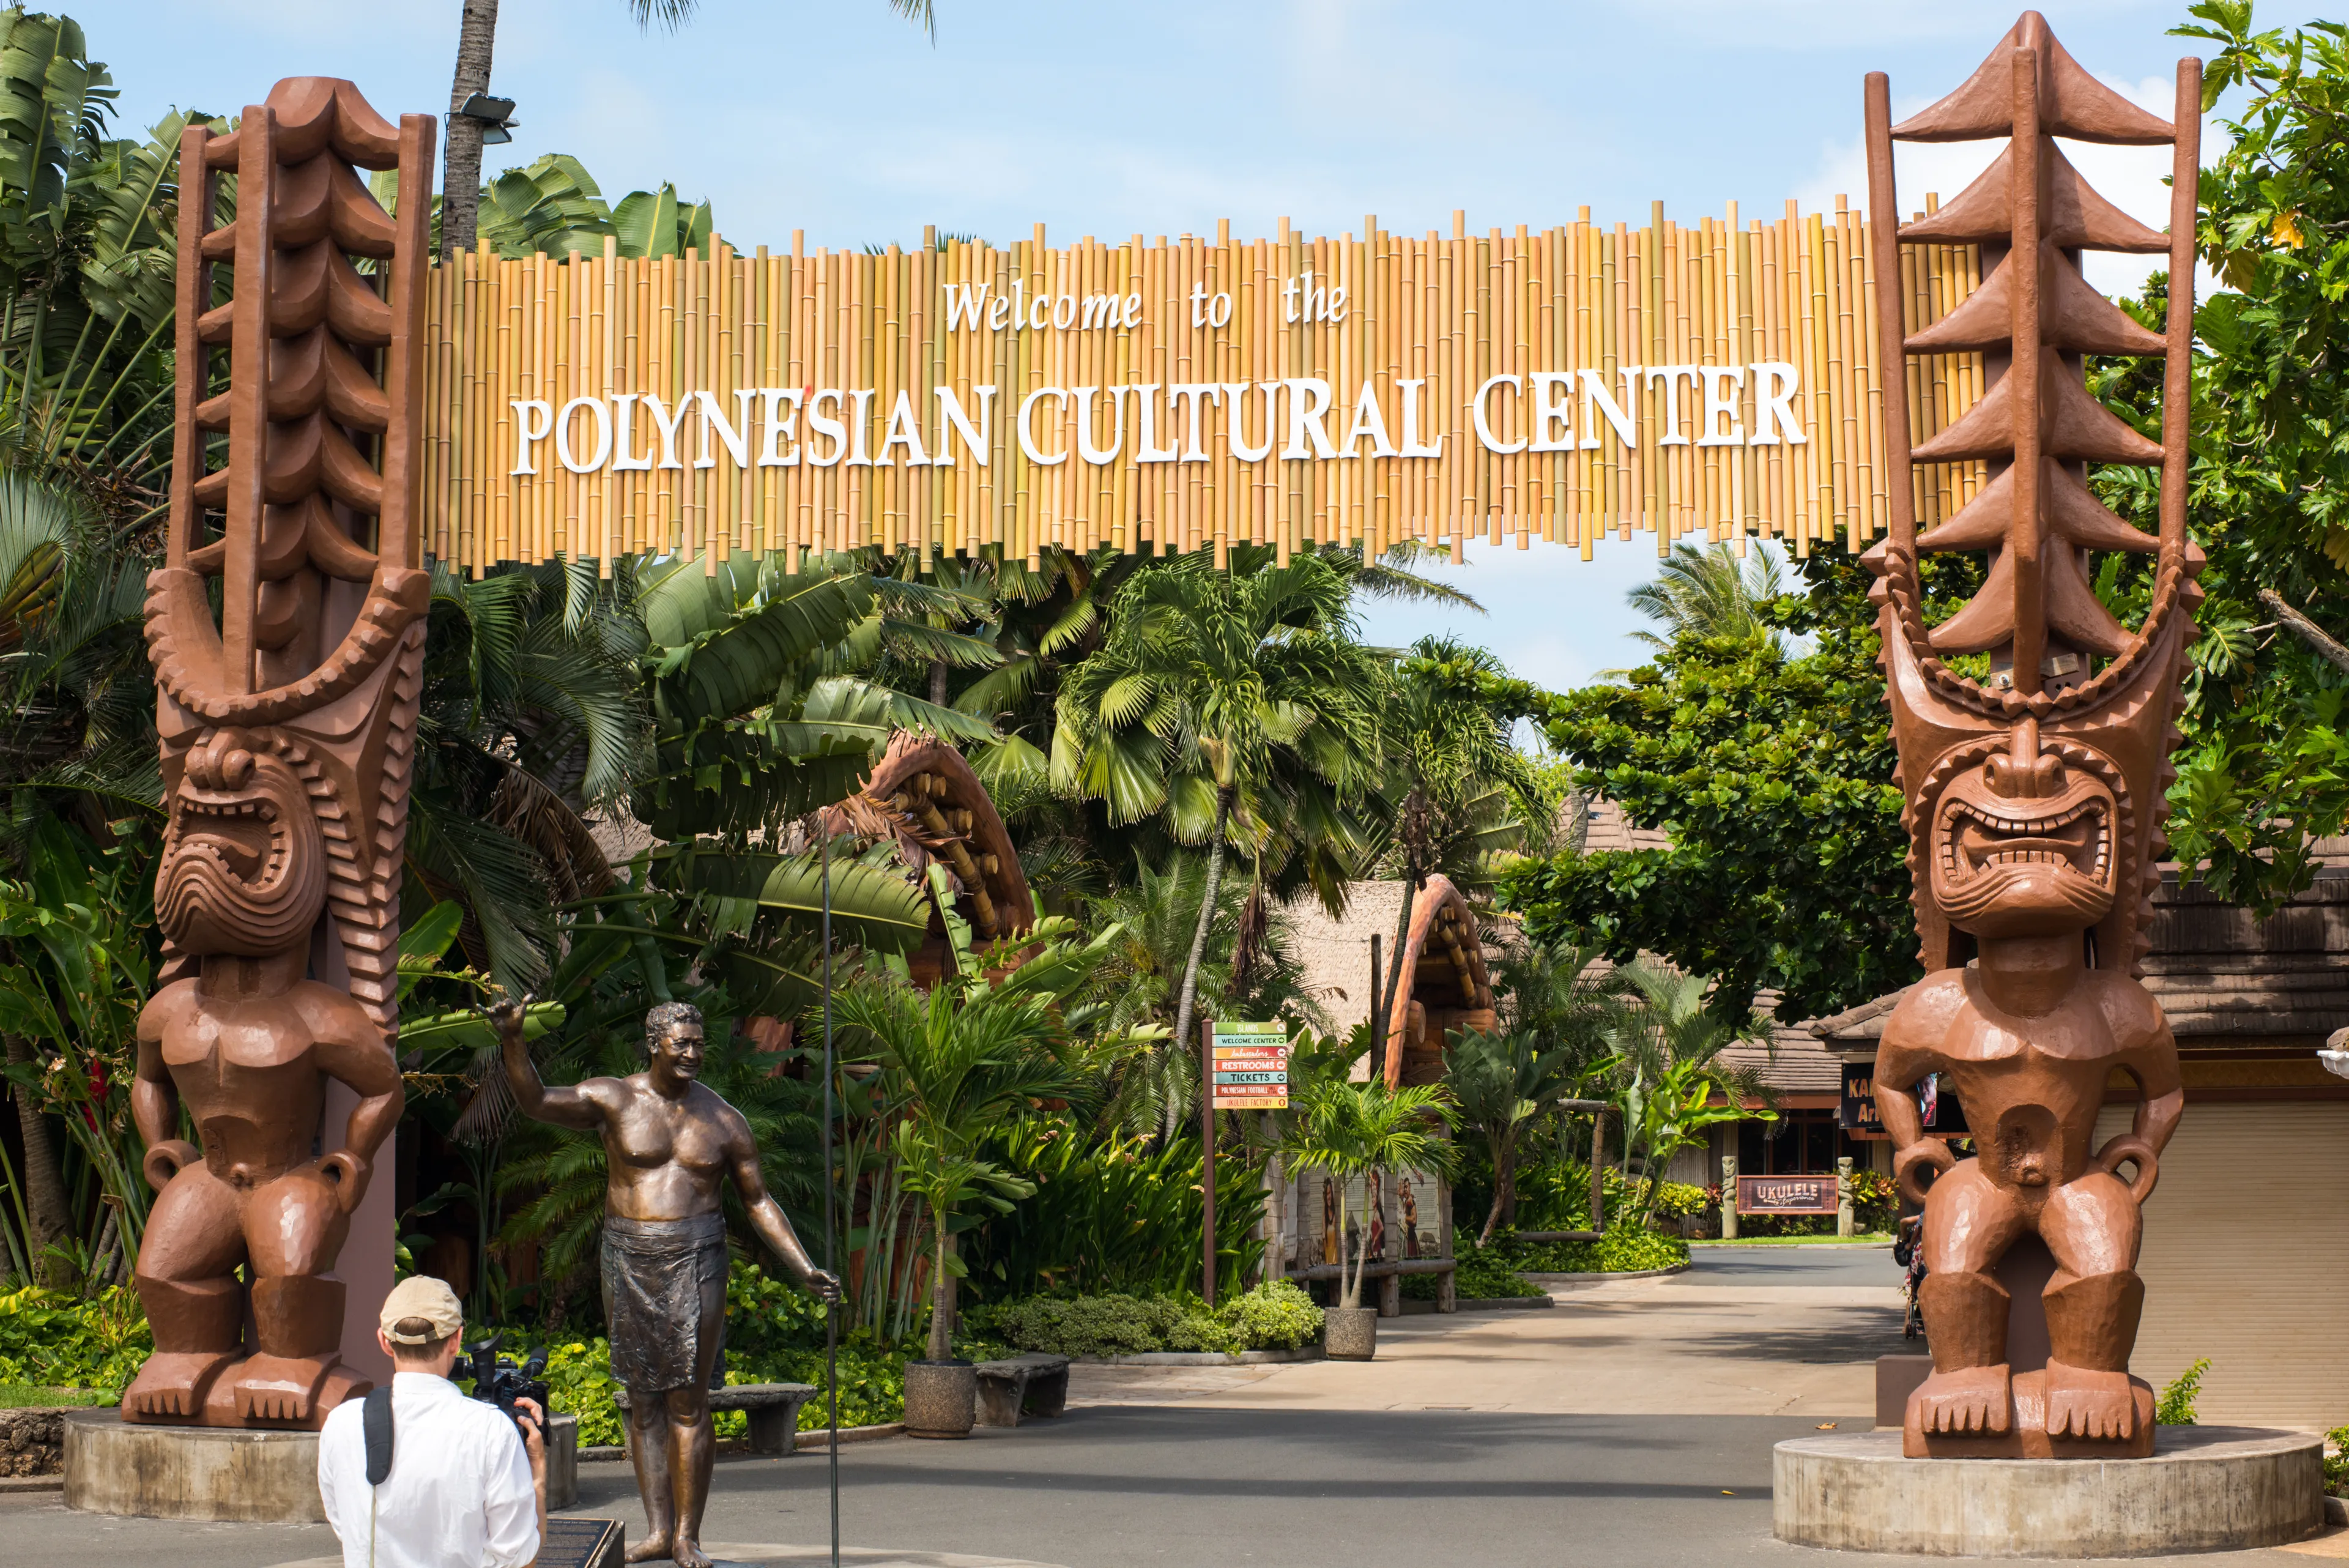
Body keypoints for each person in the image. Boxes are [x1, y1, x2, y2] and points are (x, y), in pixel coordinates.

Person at [496, 998, 841, 1568]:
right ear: (654, 1042)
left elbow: (758, 1201)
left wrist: (804, 1267)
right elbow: (535, 1102)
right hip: (629, 1254)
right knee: (642, 1400)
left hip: (697, 1254)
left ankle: (686, 1535)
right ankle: (658, 1530)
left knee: (688, 1400)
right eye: (681, 1042)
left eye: (700, 1044)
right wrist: (512, 1039)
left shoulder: (726, 1121)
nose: (692, 1053)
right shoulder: (614, 1098)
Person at [316, 1276, 546, 1568]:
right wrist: (536, 1476)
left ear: (385, 1342)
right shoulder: (491, 1430)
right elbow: (520, 1560)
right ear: (457, 1340)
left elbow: (346, 1527)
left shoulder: (342, 1423)